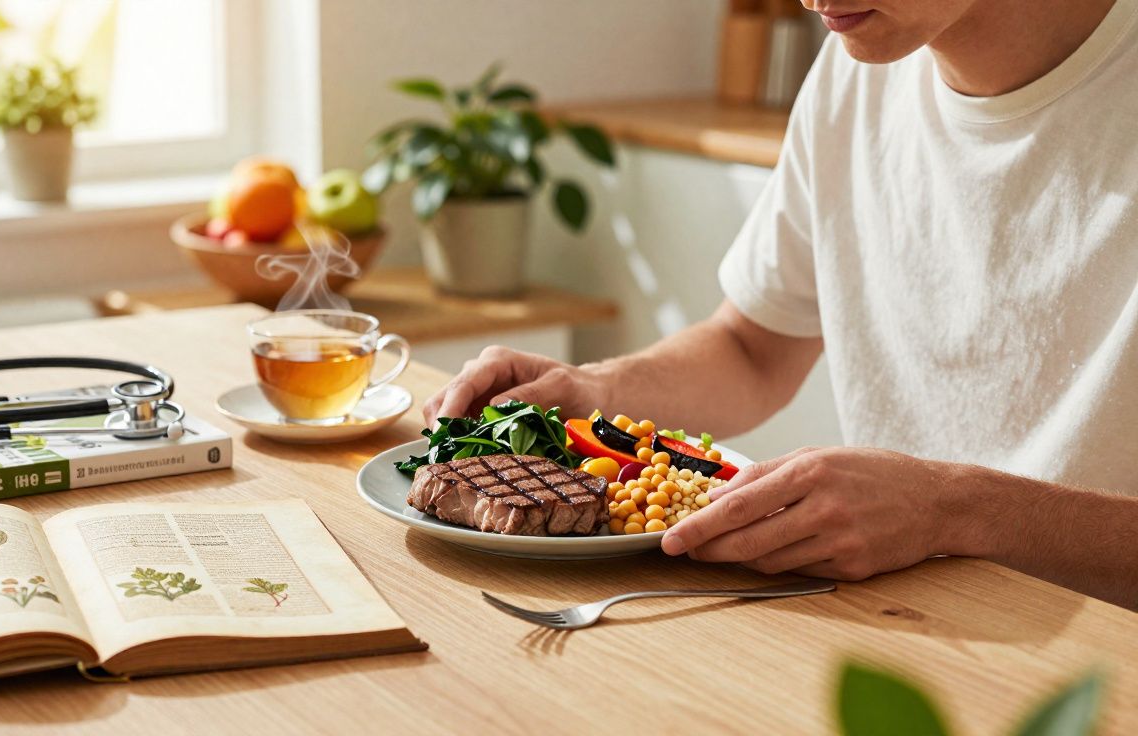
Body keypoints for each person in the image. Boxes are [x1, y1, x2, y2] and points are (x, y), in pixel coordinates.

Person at [423, 0, 1138, 609]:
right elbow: (753, 349)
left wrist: (954, 509)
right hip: (894, 622)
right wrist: (594, 394)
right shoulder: (856, 69)